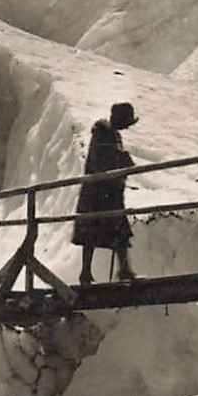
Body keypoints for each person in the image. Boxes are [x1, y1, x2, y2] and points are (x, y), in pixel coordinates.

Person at [72, 102, 140, 284]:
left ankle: (122, 269)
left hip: (107, 192)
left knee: (115, 231)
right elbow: (102, 161)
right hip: (98, 192)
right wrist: (122, 160)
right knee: (94, 232)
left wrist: (122, 162)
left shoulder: (112, 135)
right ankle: (87, 272)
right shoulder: (103, 133)